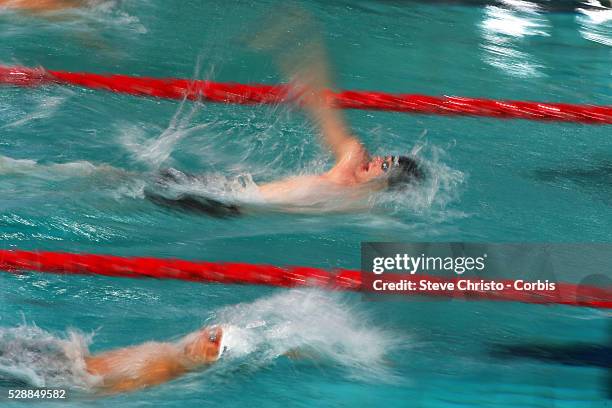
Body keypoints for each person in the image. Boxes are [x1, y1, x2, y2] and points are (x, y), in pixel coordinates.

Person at [84, 325, 227, 394]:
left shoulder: (161, 370)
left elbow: (118, 387)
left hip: (79, 375)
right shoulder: (168, 351)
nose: (204, 334)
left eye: (211, 341)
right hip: (81, 368)